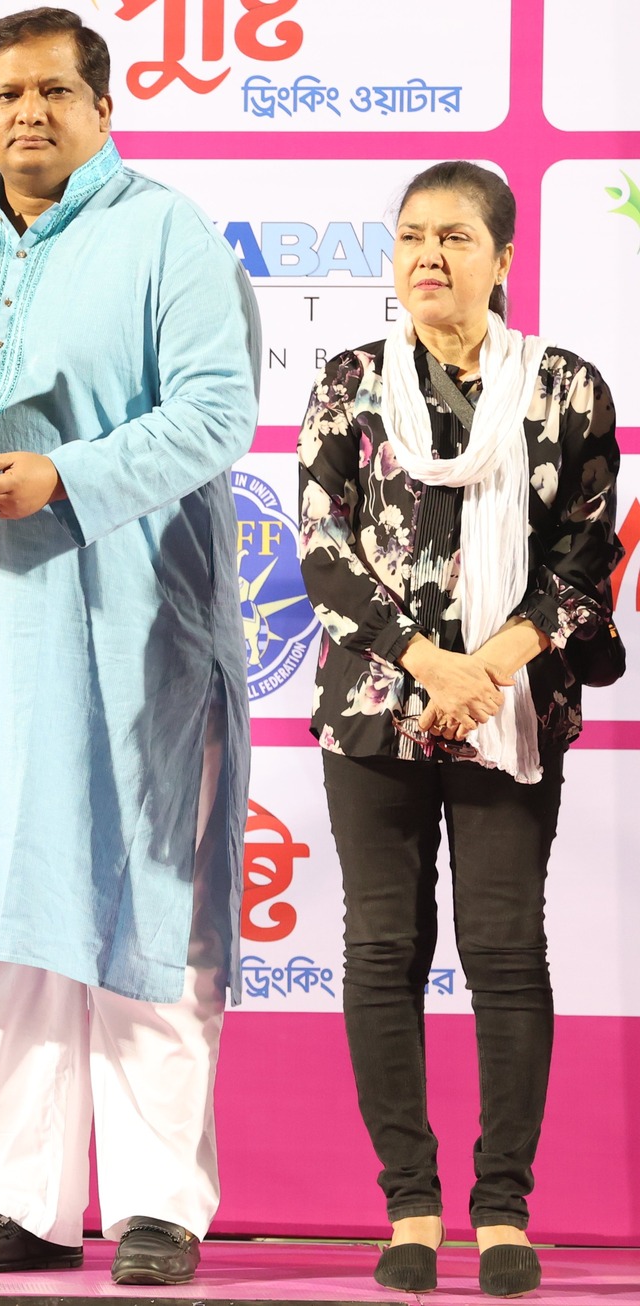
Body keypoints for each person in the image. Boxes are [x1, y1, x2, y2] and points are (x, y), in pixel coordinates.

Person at [0, 7, 259, 1287]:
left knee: (140, 905)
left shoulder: (166, 233)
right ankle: (24, 1202)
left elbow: (216, 411)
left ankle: (157, 1207)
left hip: (124, 623)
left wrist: (65, 475)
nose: (26, 113)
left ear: (102, 107)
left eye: (52, 91)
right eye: (3, 93)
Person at [298, 161, 620, 1299]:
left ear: (502, 257)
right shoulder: (347, 384)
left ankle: (502, 1211)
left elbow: (586, 557)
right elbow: (323, 551)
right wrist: (429, 663)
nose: (427, 256)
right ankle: (408, 1208)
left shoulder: (565, 390)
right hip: (376, 710)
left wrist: (489, 667)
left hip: (511, 707)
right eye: (410, 237)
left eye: (454, 237)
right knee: (381, 951)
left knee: (504, 951)